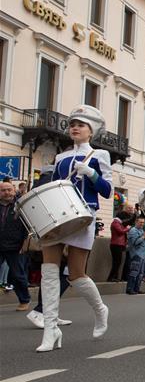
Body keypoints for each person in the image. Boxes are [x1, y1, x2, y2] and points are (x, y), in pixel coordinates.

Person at [36, 105, 112, 352]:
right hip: (57, 215)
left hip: (83, 215)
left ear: (91, 131)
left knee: (76, 274)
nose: (75, 128)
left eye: (81, 125)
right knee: (48, 270)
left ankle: (100, 310)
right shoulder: (60, 157)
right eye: (73, 124)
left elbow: (107, 191)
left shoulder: (100, 156)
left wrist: (90, 173)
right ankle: (50, 330)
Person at [0, 181, 31, 312]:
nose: (6, 193)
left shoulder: (21, 206)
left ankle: (24, 300)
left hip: (15, 246)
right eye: (3, 190)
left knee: (17, 275)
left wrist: (24, 243)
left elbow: (28, 226)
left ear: (14, 191)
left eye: (9, 190)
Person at [125, 217, 145, 295]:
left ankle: (136, 289)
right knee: (134, 272)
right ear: (136, 222)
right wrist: (144, 236)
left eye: (143, 222)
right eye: (140, 222)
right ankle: (130, 289)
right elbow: (135, 242)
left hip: (142, 254)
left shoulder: (141, 230)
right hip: (136, 254)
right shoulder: (133, 231)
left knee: (140, 273)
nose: (142, 224)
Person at [107, 213, 128, 281]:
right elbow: (120, 231)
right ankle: (111, 278)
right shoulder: (115, 223)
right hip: (116, 244)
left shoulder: (117, 223)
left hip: (118, 244)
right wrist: (127, 229)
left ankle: (114, 277)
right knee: (117, 262)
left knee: (117, 262)